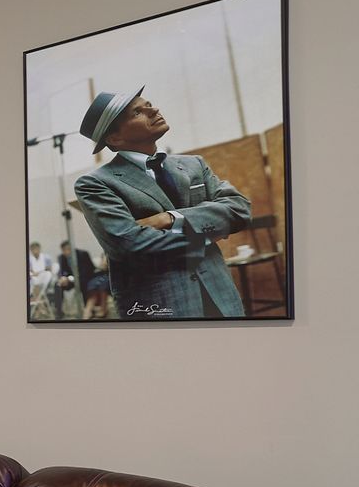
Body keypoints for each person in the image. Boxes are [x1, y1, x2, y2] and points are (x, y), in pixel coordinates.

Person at [75, 89, 250, 319]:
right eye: (137, 112)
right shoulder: (95, 183)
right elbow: (129, 244)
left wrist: (168, 218)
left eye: (149, 104)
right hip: (160, 307)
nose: (153, 110)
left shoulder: (194, 164)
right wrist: (207, 234)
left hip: (222, 298)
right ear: (115, 138)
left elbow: (239, 208)